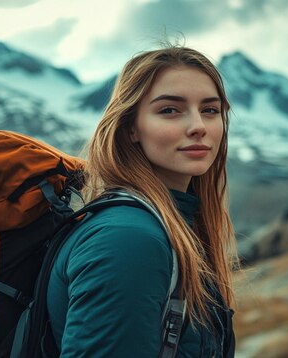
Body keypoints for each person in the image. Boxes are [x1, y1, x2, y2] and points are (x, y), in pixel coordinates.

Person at [46, 46, 239, 357]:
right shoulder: (129, 239)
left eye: (210, 110)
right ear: (131, 128)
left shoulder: (166, 224)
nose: (199, 126)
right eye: (169, 110)